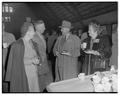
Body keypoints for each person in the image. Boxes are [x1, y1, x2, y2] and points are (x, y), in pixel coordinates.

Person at [5, 22, 40, 92]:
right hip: (24, 74)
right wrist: (31, 60)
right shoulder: (17, 45)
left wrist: (38, 60)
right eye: (33, 30)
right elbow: (16, 62)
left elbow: (36, 55)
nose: (34, 32)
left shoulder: (33, 43)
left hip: (33, 73)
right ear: (28, 32)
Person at [33, 20, 52, 92]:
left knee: (42, 82)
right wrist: (40, 62)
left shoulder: (41, 36)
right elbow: (34, 52)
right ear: (38, 27)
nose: (45, 28)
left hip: (43, 64)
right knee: (39, 84)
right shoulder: (34, 37)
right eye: (43, 26)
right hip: (39, 65)